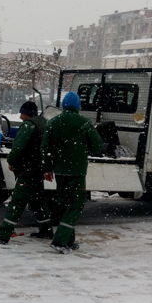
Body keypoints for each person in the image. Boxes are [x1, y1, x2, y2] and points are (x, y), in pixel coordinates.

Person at [42, 91, 103, 254]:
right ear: (78, 106)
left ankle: (69, 240)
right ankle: (60, 240)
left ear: (63, 105)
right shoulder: (85, 123)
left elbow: (45, 148)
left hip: (60, 171)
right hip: (77, 171)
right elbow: (98, 146)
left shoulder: (53, 122)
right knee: (75, 205)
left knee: (63, 204)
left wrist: (47, 168)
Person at [0, 101, 52, 244]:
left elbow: (18, 147)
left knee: (17, 201)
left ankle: (4, 233)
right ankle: (46, 229)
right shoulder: (43, 124)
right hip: (37, 169)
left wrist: (12, 161)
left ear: (25, 113)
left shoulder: (28, 126)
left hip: (28, 170)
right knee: (38, 200)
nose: (20, 116)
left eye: (21, 112)